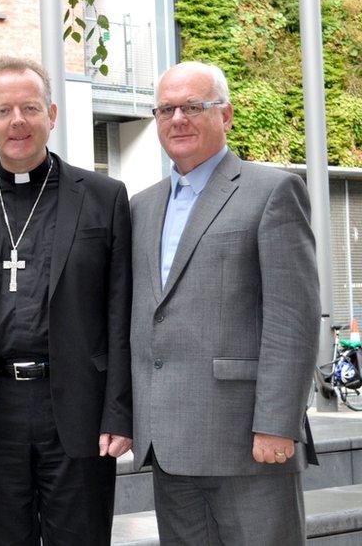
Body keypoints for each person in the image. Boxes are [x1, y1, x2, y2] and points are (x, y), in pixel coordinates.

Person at [0, 56, 132, 545]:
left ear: (52, 115)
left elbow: (119, 310)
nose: (17, 120)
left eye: (30, 107)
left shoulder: (104, 196)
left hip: (78, 410)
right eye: (3, 111)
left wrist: (118, 410)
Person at [129, 61, 320, 543]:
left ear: (227, 115)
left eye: (194, 106)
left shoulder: (272, 190)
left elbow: (291, 320)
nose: (178, 119)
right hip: (169, 447)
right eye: (166, 109)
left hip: (248, 445)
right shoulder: (141, 206)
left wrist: (278, 424)